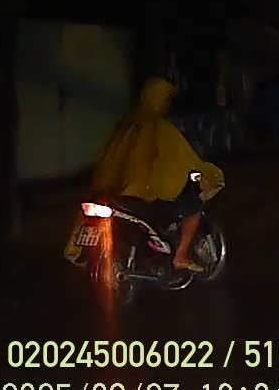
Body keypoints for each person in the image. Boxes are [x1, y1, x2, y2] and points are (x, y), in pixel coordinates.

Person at [90, 77, 225, 273]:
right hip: (149, 192)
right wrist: (204, 171)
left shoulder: (125, 125)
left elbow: (107, 155)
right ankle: (180, 256)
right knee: (192, 208)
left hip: (117, 188)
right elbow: (183, 159)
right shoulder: (161, 128)